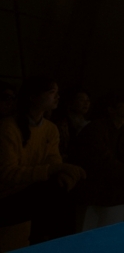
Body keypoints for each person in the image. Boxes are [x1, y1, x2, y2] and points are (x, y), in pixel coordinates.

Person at [0, 77, 84, 243]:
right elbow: (7, 173)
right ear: (33, 97)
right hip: (7, 196)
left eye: (57, 92)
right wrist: (52, 170)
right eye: (52, 92)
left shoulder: (50, 129)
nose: (57, 97)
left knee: (63, 188)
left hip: (30, 192)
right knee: (53, 193)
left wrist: (64, 175)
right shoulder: (8, 127)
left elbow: (54, 160)